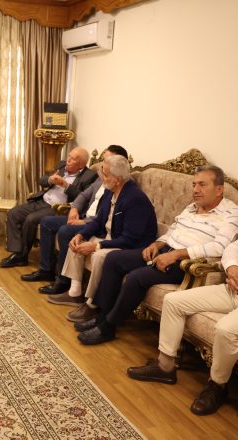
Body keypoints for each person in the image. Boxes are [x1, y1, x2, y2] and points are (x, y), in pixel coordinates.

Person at [74, 165, 238, 346]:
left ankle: (108, 327)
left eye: (202, 185)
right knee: (113, 259)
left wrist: (176, 254)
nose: (196, 190)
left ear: (219, 189)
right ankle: (102, 315)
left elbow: (219, 247)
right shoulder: (192, 207)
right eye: (194, 184)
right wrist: (156, 244)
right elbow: (172, 231)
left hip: (186, 263)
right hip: (165, 250)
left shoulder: (231, 214)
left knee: (137, 277)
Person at [127, 239, 238, 416]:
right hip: (232, 290)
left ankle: (218, 385)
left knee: (226, 329)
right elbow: (233, 247)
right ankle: (165, 367)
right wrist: (232, 268)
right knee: (173, 301)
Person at [46, 155, 158, 324]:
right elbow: (98, 221)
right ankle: (75, 293)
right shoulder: (109, 191)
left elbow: (129, 239)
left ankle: (92, 304)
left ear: (117, 179)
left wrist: (97, 246)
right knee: (77, 243)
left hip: (132, 247)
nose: (101, 176)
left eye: (104, 173)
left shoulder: (135, 199)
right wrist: (81, 235)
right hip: (111, 238)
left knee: (99, 256)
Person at [21, 145, 128, 293]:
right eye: (103, 160)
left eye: (106, 161)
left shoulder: (119, 186)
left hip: (95, 224)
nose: (102, 166)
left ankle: (63, 281)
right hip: (84, 216)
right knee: (47, 222)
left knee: (65, 231)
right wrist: (74, 209)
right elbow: (83, 195)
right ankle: (46, 270)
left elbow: (106, 216)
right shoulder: (101, 179)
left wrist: (85, 222)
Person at [0, 147, 97, 268]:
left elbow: (83, 198)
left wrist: (65, 185)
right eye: (69, 156)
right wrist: (51, 179)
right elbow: (42, 180)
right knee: (14, 213)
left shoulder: (89, 176)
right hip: (42, 200)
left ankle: (22, 256)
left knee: (31, 219)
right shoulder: (62, 166)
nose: (68, 160)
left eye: (73, 159)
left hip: (57, 208)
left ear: (81, 164)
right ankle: (18, 253)